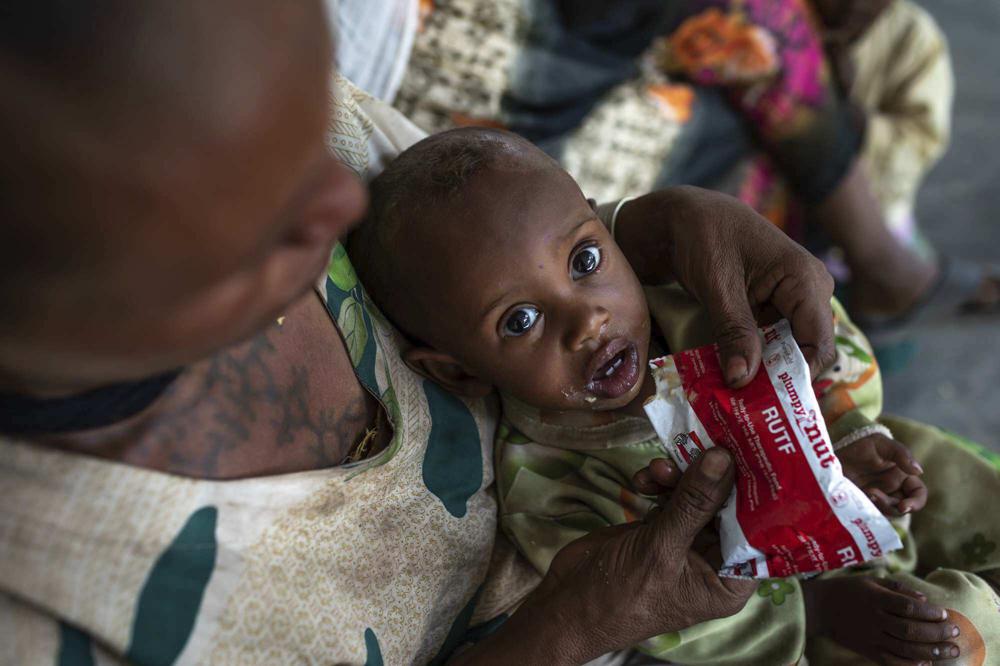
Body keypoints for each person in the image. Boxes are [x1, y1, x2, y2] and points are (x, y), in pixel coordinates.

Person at [0, 1, 845, 664]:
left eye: (309, 144)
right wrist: (564, 634)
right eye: (264, 224)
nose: (339, 205)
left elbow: (491, 233)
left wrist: (656, 228)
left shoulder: (209, 95)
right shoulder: (40, 613)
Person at [349, 126, 1000, 665]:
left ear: (605, 225)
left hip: (880, 488)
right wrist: (822, 611)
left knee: (962, 491)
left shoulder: (697, 305)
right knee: (947, 637)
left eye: (584, 261)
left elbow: (824, 348)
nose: (589, 321)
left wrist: (848, 430)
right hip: (807, 610)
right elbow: (671, 619)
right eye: (520, 321)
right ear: (458, 371)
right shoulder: (549, 484)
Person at [380, 0, 998, 329]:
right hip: (500, 118)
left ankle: (867, 254)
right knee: (788, 63)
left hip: (572, 70)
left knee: (900, 45)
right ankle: (879, 262)